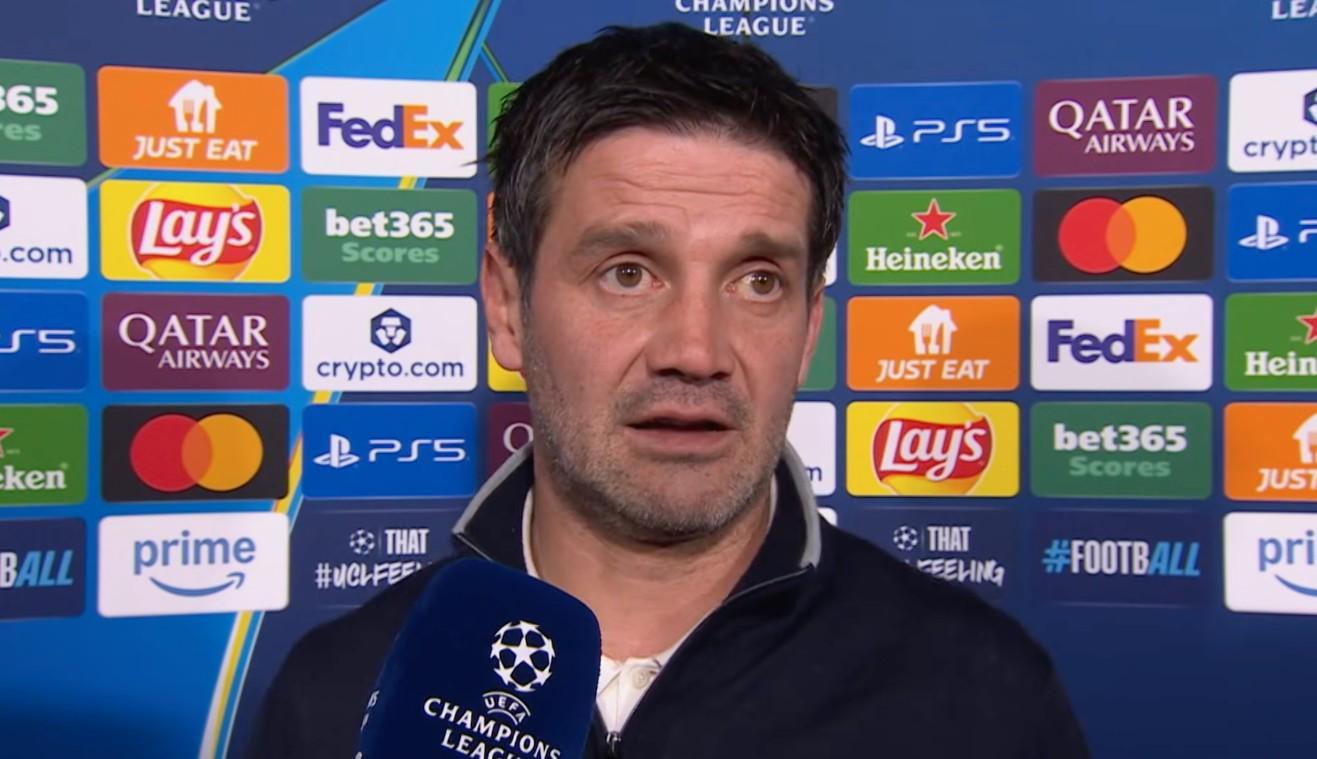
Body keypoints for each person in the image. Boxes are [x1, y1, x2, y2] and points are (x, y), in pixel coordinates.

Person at [248, 23, 1089, 758]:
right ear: (506, 306)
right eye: (627, 272)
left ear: (807, 329)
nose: (696, 351)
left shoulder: (981, 698)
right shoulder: (340, 693)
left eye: (756, 281)